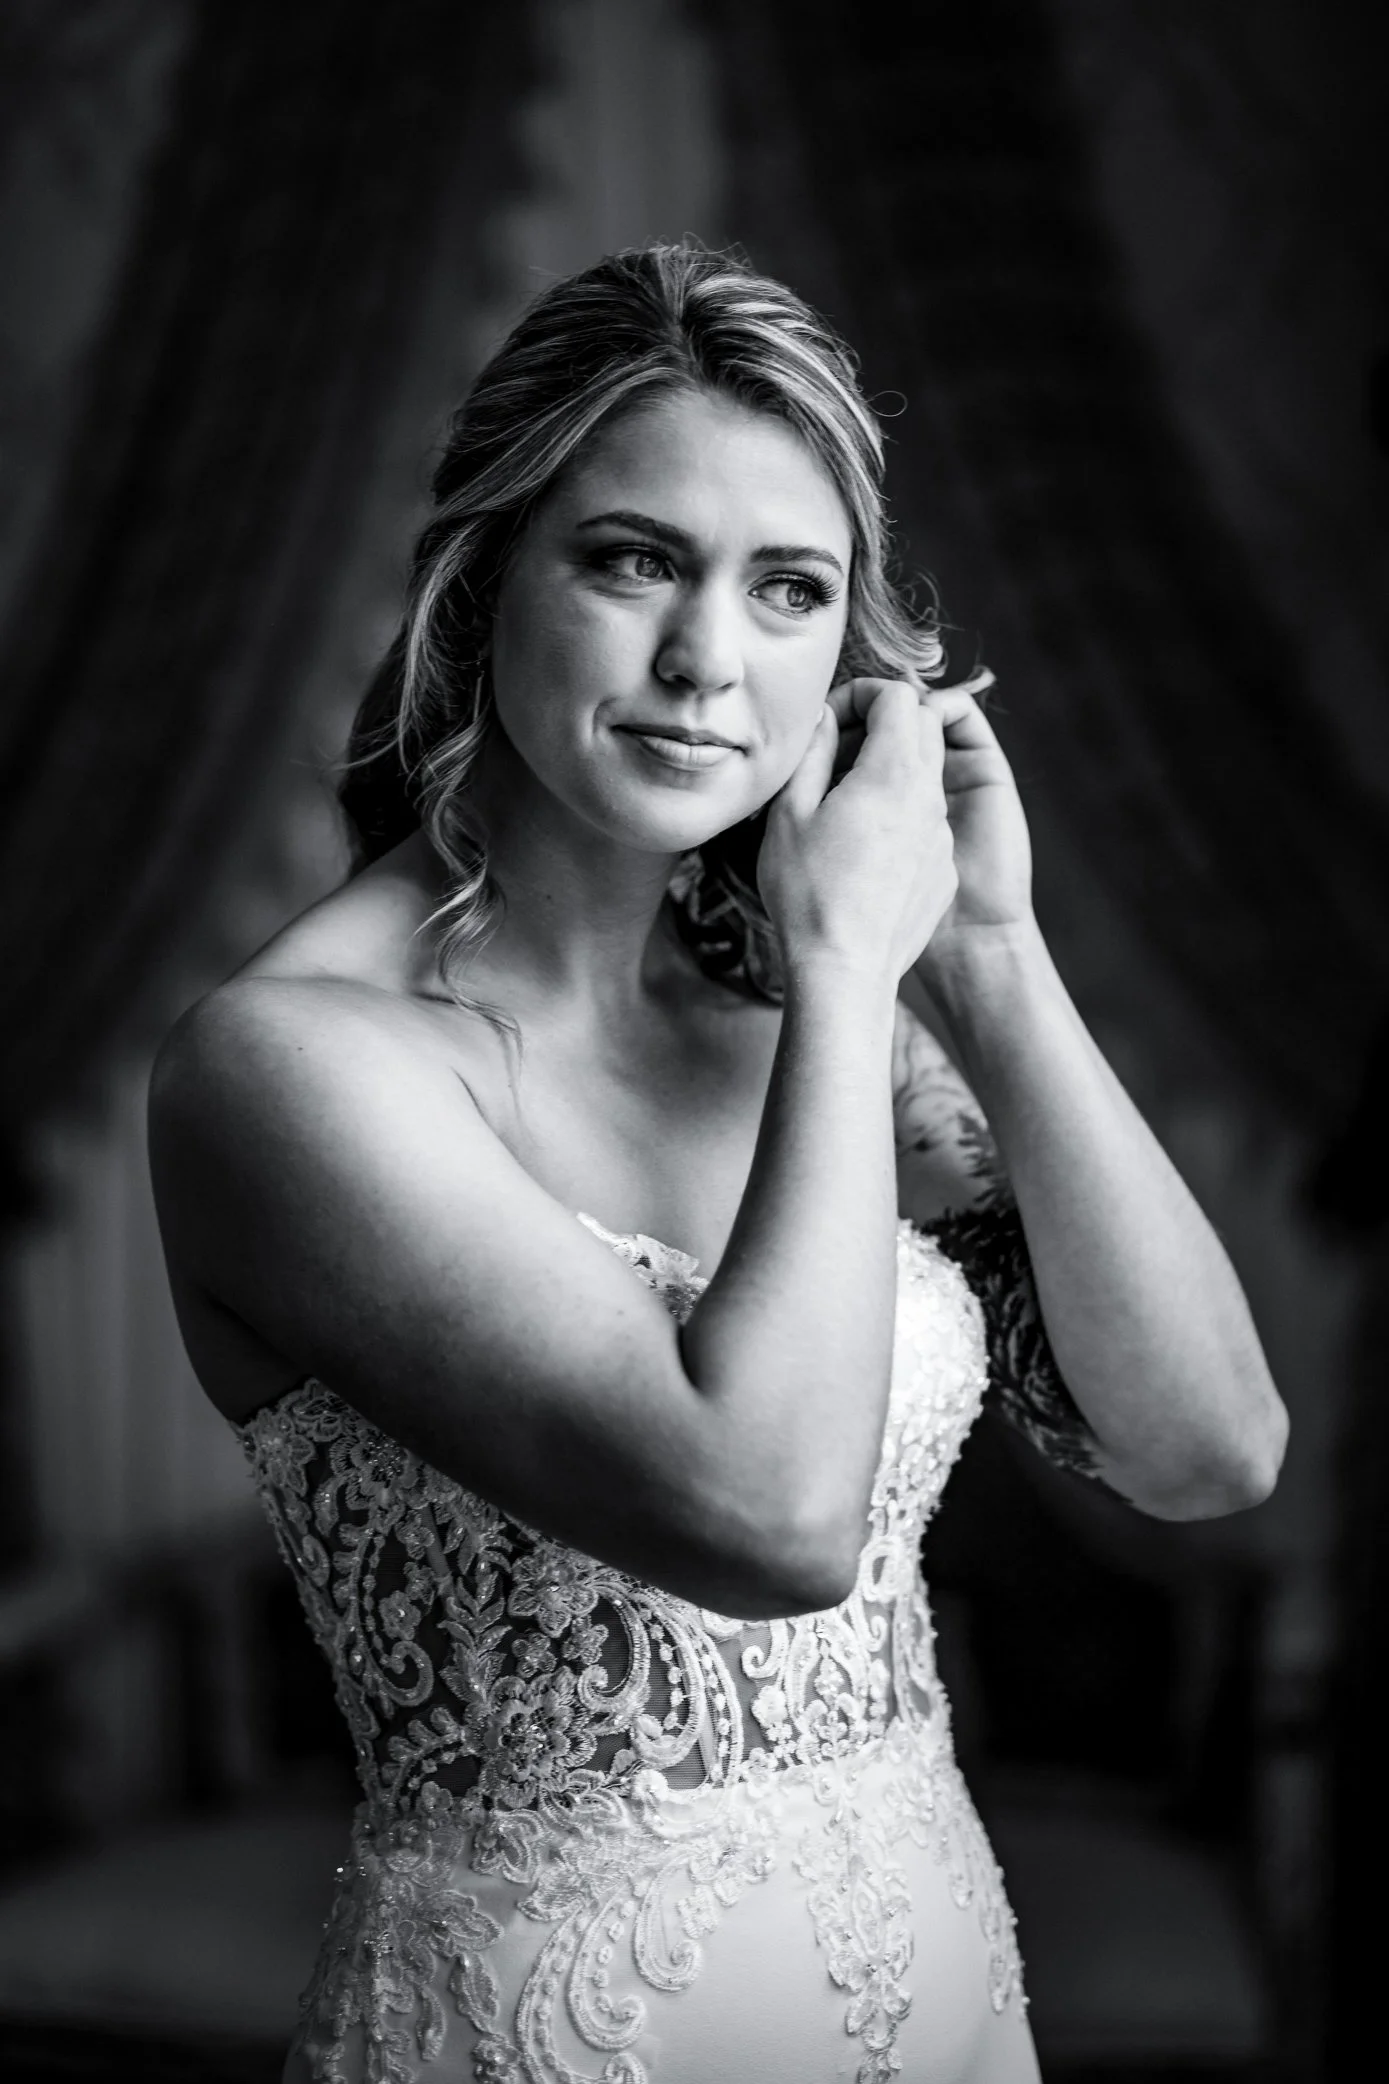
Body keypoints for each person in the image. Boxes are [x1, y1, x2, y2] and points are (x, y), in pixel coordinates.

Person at [147, 243, 1288, 2084]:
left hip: (937, 2000)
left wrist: (989, 958)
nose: (707, 659)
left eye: (789, 590)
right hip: (548, 2032)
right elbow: (768, 1520)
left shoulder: (812, 1020)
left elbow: (1207, 1449)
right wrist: (844, 965)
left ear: (851, 658)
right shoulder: (287, 1071)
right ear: (480, 582)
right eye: (631, 560)